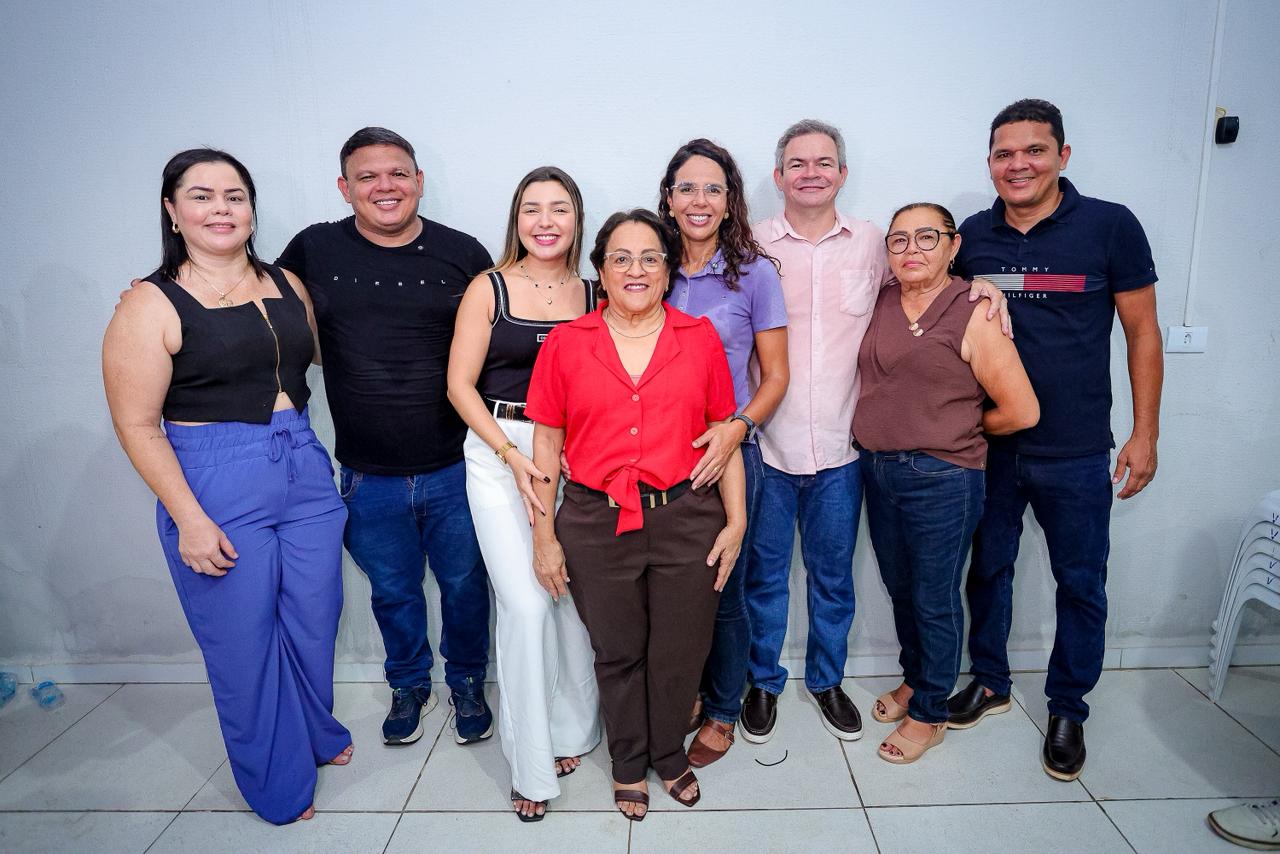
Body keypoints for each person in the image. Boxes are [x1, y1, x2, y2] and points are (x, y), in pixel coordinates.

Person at [103, 149, 351, 825]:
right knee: (243, 643)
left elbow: (324, 354)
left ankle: (313, 732)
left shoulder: (286, 284)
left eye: (234, 196)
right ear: (172, 211)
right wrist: (188, 518)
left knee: (314, 620)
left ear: (251, 208)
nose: (221, 209)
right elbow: (136, 423)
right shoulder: (149, 304)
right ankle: (277, 784)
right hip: (214, 477)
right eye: (202, 196)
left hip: (302, 464)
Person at [745, 120, 1010, 745]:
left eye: (824, 162)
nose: (811, 172)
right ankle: (762, 681)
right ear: (779, 176)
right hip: (765, 444)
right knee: (764, 577)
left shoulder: (872, 242)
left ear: (843, 173)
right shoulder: (750, 244)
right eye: (797, 163)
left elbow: (925, 283)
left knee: (834, 579)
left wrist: (981, 284)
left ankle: (827, 681)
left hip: (844, 449)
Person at [948, 99, 1164, 782]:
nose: (1019, 164)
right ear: (990, 163)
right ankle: (989, 680)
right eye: (1005, 154)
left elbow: (1142, 333)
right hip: (990, 444)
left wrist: (1146, 433)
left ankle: (1068, 707)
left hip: (1076, 448)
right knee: (988, 570)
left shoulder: (1110, 226)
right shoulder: (971, 236)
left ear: (1062, 156)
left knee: (1081, 583)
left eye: (1034, 150)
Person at [525, 209, 747, 821]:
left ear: (668, 270)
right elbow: (546, 442)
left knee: (681, 649)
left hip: (687, 517)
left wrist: (736, 523)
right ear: (600, 271)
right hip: (595, 523)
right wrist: (544, 536)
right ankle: (628, 761)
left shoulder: (698, 337)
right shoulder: (568, 343)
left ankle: (668, 753)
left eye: (650, 257)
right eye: (620, 258)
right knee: (618, 650)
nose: (636, 269)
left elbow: (723, 433)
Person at [276, 127, 494, 747]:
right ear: (344, 188)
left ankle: (468, 680)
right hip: (366, 473)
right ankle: (409, 685)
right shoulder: (313, 249)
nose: (385, 186)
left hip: (458, 466)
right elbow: (247, 290)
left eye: (398, 173)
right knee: (394, 591)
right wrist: (163, 285)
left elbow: (502, 329)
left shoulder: (463, 253)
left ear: (419, 181)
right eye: (367, 177)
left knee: (464, 587)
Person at [854, 202, 1039, 764]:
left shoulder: (973, 309)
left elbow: (1022, 410)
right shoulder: (883, 298)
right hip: (878, 470)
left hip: (944, 479)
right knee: (901, 588)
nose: (911, 249)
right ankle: (916, 679)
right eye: (899, 240)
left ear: (954, 246)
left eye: (926, 237)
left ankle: (932, 710)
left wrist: (956, 428)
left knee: (934, 597)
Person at [446, 166, 601, 821]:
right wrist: (511, 456)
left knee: (568, 601)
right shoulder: (488, 287)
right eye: (532, 208)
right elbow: (458, 386)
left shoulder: (595, 292)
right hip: (498, 449)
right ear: (516, 218)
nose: (545, 221)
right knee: (527, 606)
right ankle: (530, 765)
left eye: (559, 208)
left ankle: (571, 731)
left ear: (576, 219)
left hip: (575, 454)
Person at [656, 139, 789, 767]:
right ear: (668, 198)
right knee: (670, 591)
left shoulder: (755, 273)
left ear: (730, 200)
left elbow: (776, 377)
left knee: (723, 587)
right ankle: (684, 691)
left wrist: (736, 429)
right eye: (687, 187)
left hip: (729, 457)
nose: (699, 200)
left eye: (713, 188)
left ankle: (722, 710)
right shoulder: (648, 264)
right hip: (654, 458)